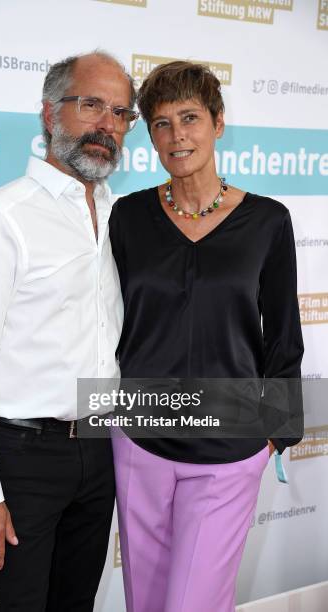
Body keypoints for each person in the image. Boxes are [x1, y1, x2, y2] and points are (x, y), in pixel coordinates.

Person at [0, 51, 138, 612]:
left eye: (121, 112)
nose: (106, 124)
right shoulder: (0, 217)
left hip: (99, 454)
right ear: (50, 113)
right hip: (19, 462)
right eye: (91, 104)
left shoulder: (120, 217)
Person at [109, 61, 304, 612]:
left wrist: (275, 436)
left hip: (227, 449)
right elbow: (105, 319)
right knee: (143, 601)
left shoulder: (268, 222)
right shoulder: (127, 217)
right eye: (162, 124)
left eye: (190, 118)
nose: (177, 136)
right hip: (139, 442)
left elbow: (283, 337)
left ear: (218, 123)